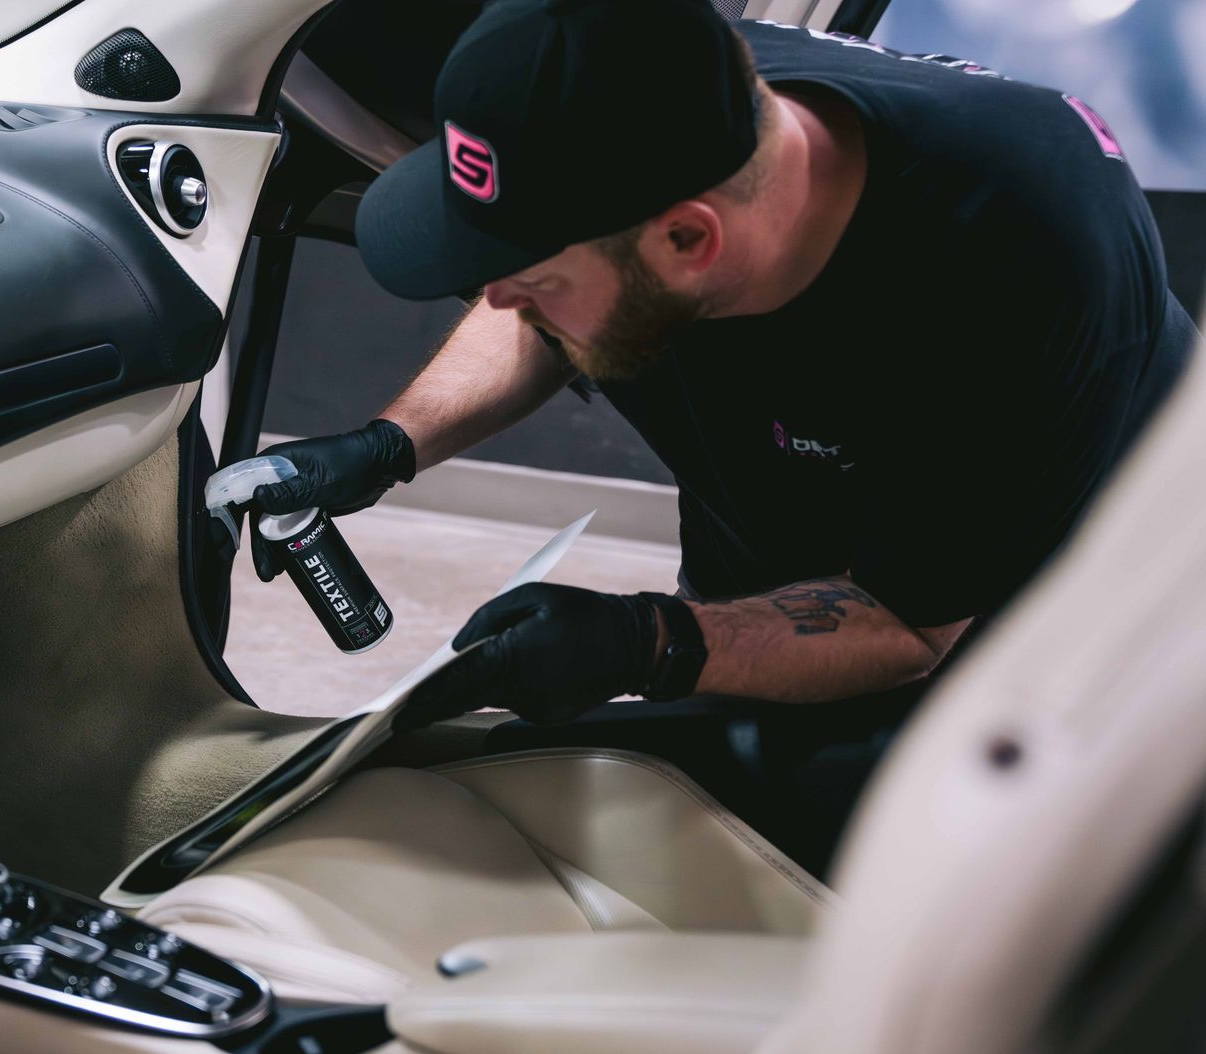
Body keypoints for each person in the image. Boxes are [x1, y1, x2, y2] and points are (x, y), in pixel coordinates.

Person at [247, 0, 1197, 871]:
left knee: (862, 868)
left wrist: (641, 641)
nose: (492, 297)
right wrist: (388, 445)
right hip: (790, 496)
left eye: (530, 279)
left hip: (1038, 612)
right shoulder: (650, 88)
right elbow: (538, 281)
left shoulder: (1020, 252)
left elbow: (908, 621)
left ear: (690, 242)